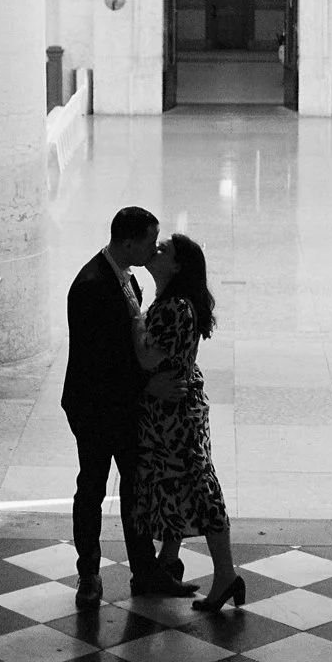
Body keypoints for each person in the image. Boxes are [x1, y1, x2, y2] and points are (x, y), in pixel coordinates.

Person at [62, 207, 199, 609]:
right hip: (93, 406)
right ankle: (89, 573)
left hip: (123, 404)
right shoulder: (90, 286)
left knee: (136, 488)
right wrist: (148, 384)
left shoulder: (127, 279)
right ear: (128, 242)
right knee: (92, 486)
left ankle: (145, 570)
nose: (154, 248)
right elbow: (99, 360)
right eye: (150, 241)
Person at [130, 233, 246, 612]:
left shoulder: (174, 307)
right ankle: (168, 563)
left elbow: (147, 359)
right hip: (175, 411)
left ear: (177, 266)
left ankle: (225, 575)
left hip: (175, 416)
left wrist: (132, 318)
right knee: (174, 485)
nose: (155, 249)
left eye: (164, 249)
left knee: (198, 488)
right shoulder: (171, 302)